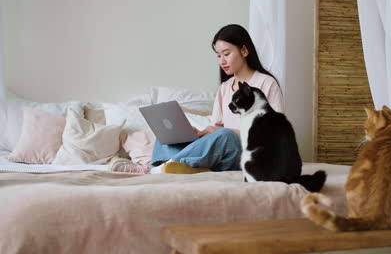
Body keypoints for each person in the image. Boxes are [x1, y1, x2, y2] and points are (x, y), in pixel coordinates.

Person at [110, 24, 284, 174]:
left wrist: (225, 133)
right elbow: (217, 127)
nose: (222, 61)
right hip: (225, 151)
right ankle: (164, 166)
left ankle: (154, 170)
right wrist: (198, 134)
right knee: (167, 138)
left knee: (226, 136)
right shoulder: (224, 88)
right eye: (218, 55)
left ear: (244, 50)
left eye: (226, 53)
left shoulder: (266, 83)